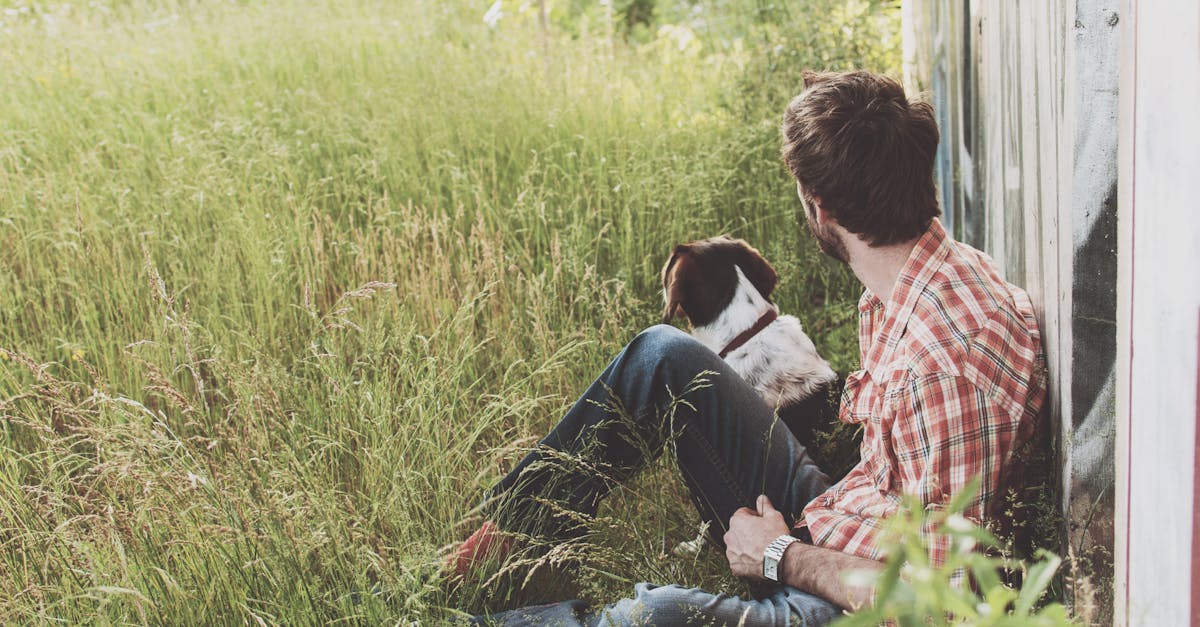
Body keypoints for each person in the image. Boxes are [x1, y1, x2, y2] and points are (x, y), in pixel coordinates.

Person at [449, 70, 1047, 626]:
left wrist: (781, 555)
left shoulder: (939, 365)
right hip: (855, 525)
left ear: (821, 209)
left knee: (653, 615)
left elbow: (942, 603)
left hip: (859, 601)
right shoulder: (925, 276)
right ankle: (493, 550)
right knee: (663, 355)